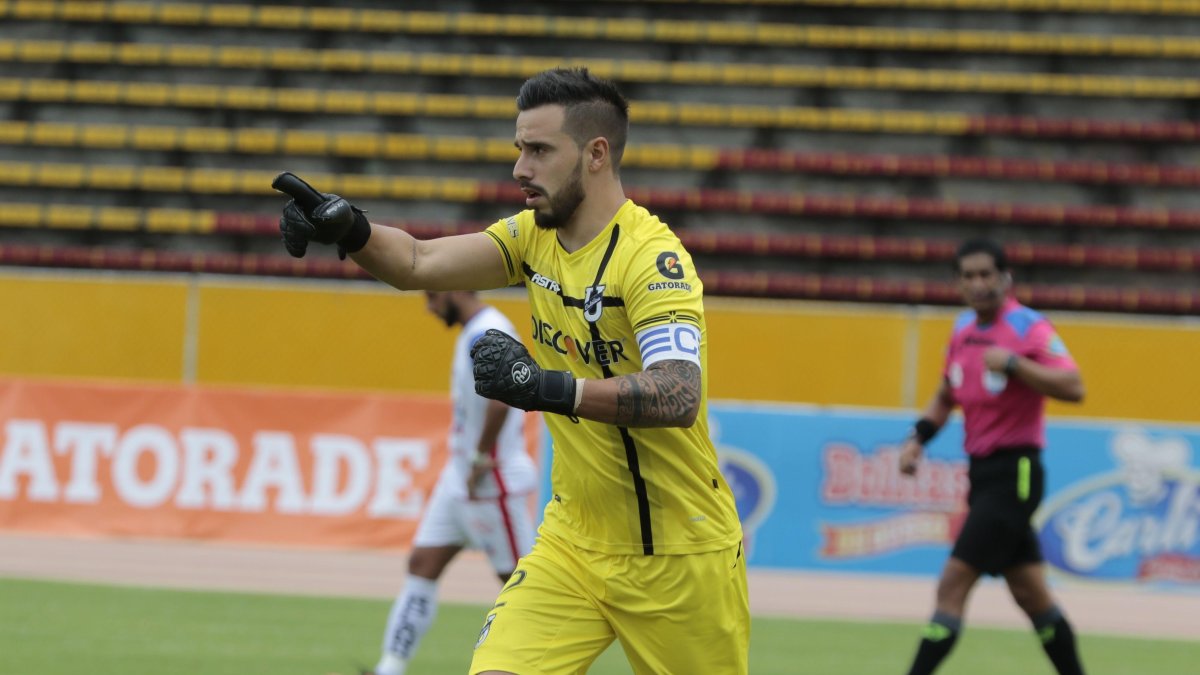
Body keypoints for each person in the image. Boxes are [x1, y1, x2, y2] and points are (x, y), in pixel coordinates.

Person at [276, 67, 748, 675]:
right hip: (572, 544)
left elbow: (678, 393)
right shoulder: (531, 238)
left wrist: (546, 388)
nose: (521, 169)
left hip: (680, 556)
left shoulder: (653, 260)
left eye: (540, 150)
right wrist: (352, 228)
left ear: (596, 154)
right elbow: (419, 261)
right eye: (519, 149)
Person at [898, 238, 1087, 675]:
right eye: (968, 276)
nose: (977, 283)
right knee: (1033, 597)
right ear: (959, 283)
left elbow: (1075, 387)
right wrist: (917, 438)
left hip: (1016, 473)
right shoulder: (963, 331)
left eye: (985, 274)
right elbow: (947, 392)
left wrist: (1017, 366)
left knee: (951, 586)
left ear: (1005, 278)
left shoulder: (1029, 328)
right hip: (983, 477)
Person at [368, 291, 536, 675]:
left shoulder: (489, 330)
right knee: (422, 563)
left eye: (432, 296)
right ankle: (388, 670)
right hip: (459, 479)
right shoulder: (474, 331)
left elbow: (502, 399)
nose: (429, 307)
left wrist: (480, 455)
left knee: (522, 586)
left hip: (490, 480)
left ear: (456, 288)